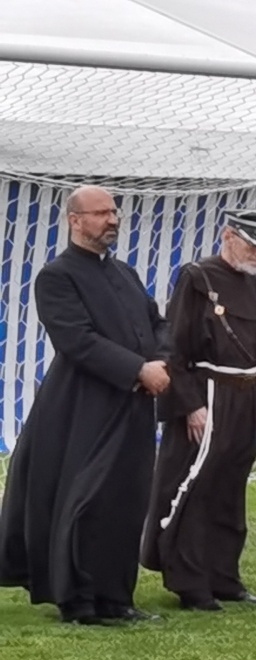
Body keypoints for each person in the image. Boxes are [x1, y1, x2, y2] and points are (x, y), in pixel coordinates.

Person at [0, 186, 171, 626]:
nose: (112, 220)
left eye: (114, 212)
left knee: (126, 498)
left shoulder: (126, 275)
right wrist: (138, 368)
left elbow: (156, 324)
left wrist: (162, 362)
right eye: (101, 213)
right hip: (82, 407)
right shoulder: (57, 276)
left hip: (132, 405)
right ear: (76, 220)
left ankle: (117, 596)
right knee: (84, 500)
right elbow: (77, 339)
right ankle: (78, 599)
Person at [142, 210, 256, 612]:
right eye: (251, 244)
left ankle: (225, 576)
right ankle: (189, 581)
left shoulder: (249, 281)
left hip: (245, 396)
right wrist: (191, 405)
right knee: (194, 487)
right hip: (211, 396)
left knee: (230, 490)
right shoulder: (197, 278)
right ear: (227, 236)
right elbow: (178, 346)